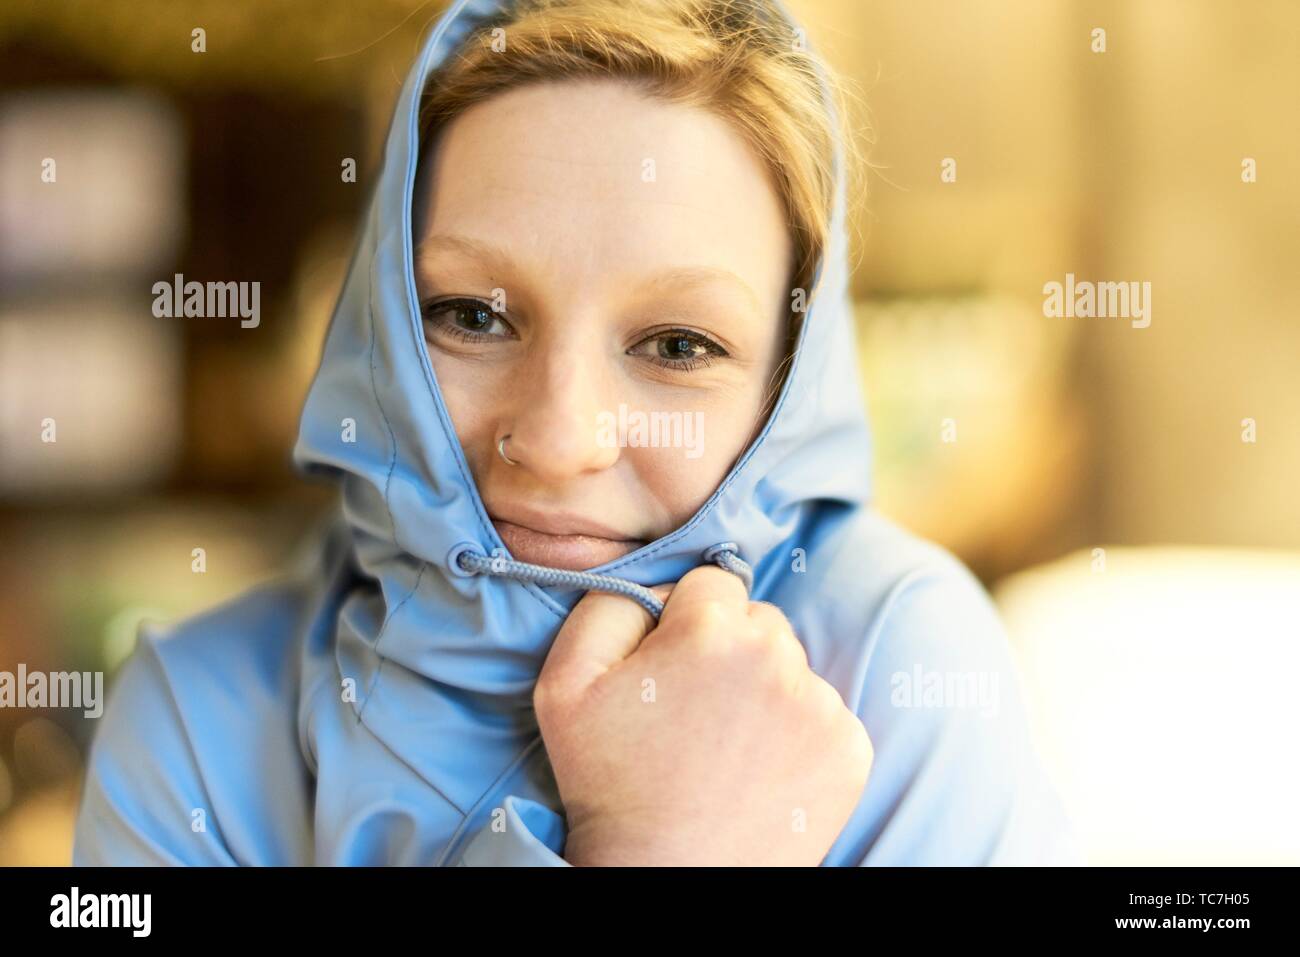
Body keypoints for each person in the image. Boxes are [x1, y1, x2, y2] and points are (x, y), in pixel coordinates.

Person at [73, 0, 1082, 866]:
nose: (558, 440)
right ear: (378, 322)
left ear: (785, 380)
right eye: (472, 316)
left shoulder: (890, 666)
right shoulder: (198, 720)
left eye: (677, 345)